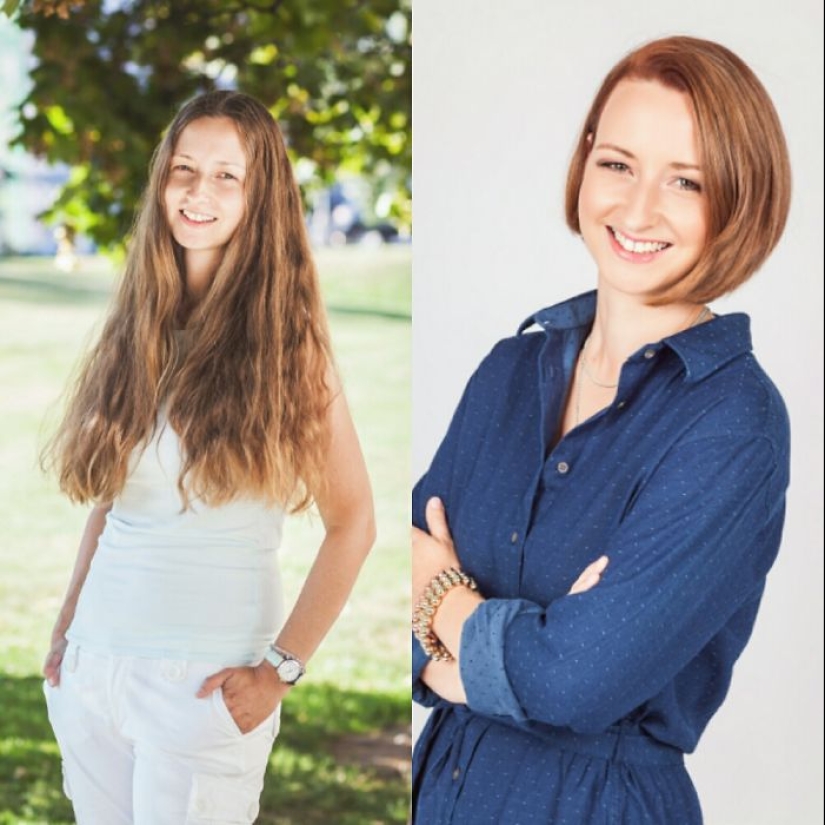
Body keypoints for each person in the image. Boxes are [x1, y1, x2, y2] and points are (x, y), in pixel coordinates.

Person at [411, 35, 791, 824]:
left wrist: (445, 604)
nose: (637, 208)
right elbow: (391, 601)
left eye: (685, 180)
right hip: (443, 790)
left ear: (739, 200)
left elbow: (575, 680)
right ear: (584, 162)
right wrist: (511, 646)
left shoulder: (733, 422)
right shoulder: (507, 374)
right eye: (617, 163)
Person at [41, 90, 376, 824]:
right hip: (94, 672)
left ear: (262, 198)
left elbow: (352, 522)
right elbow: (111, 498)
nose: (199, 191)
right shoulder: (136, 326)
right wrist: (67, 630)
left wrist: (280, 671)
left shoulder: (290, 350)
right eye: (184, 168)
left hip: (202, 687)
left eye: (228, 175)